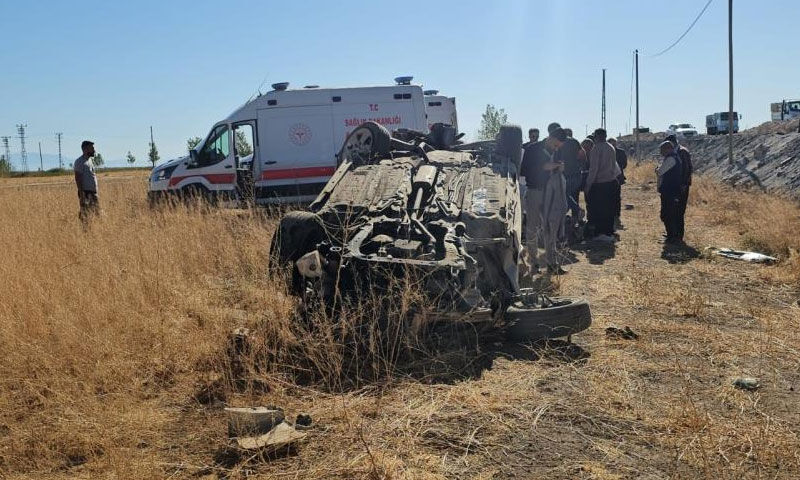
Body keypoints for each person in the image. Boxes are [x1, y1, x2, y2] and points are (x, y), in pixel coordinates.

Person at [519, 132, 551, 272]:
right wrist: (543, 167)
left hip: (550, 192)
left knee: (550, 226)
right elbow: (523, 171)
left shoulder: (556, 150)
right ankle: (534, 262)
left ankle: (551, 261)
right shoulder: (531, 149)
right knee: (532, 227)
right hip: (534, 190)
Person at [584, 129, 621, 242]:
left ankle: (600, 233)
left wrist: (588, 185)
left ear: (596, 137)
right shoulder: (611, 147)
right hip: (611, 182)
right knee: (609, 209)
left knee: (599, 209)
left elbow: (594, 169)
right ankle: (608, 232)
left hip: (600, 184)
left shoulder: (596, 149)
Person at [542, 128, 569, 274]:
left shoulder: (555, 152)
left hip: (554, 202)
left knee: (552, 233)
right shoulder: (539, 150)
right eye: (556, 145)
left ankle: (553, 263)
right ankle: (548, 264)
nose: (557, 148)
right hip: (542, 197)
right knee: (548, 230)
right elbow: (542, 167)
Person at [666, 134, 693, 241]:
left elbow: (687, 170)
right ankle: (673, 233)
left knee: (679, 211)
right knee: (672, 210)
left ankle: (678, 236)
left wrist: (683, 185)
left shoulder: (682, 152)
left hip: (681, 186)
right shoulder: (674, 152)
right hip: (675, 186)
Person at [657, 141, 683, 244]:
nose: (661, 152)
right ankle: (671, 235)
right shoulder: (674, 157)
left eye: (662, 150)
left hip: (670, 191)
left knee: (668, 214)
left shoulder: (671, 159)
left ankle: (672, 237)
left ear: (668, 149)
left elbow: (660, 172)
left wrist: (657, 169)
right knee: (668, 213)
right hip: (671, 190)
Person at [561, 128, 586, 226]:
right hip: (576, 174)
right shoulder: (574, 141)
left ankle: (575, 211)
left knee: (564, 194)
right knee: (573, 195)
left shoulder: (561, 141)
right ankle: (574, 218)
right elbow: (583, 154)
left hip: (565, 174)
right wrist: (581, 166)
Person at [74, 140, 99, 226]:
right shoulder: (80, 162)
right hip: (86, 193)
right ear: (86, 149)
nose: (94, 150)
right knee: (86, 214)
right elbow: (78, 179)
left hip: (92, 192)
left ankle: (91, 229)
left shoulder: (90, 161)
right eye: (92, 148)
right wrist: (82, 195)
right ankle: (84, 230)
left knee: (95, 212)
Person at [607, 138, 628, 228]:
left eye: (614, 143)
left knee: (616, 197)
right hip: (609, 177)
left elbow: (624, 164)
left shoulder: (620, 152)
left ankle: (616, 216)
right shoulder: (607, 151)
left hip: (617, 177)